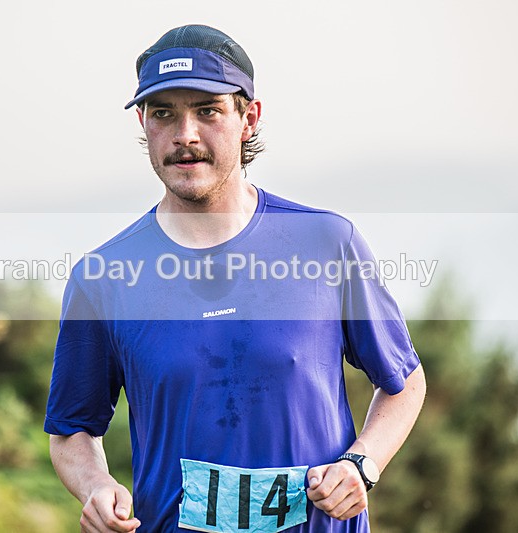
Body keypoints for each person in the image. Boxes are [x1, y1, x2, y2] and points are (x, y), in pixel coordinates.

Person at [45, 24, 427, 533]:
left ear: (249, 117)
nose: (185, 134)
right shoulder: (104, 278)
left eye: (207, 110)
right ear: (143, 122)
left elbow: (404, 380)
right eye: (164, 113)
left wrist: (363, 464)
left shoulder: (326, 243)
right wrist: (96, 487)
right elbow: (71, 429)